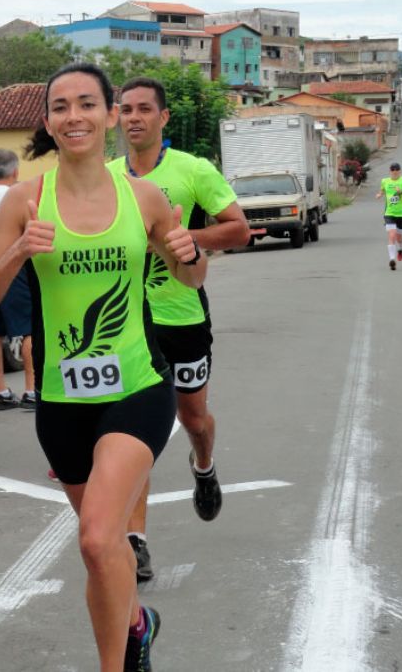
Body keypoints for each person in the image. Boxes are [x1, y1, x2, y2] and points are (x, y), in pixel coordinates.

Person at [0, 62, 205, 672]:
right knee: (108, 549)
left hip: (139, 388)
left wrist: (190, 253)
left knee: (97, 537)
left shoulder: (145, 197)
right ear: (48, 121)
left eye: (88, 105)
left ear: (111, 115)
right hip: (62, 403)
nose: (75, 117)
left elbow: (191, 275)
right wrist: (18, 250)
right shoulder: (25, 200)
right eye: (62, 107)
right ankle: (138, 624)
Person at [108, 77, 250, 581]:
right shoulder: (105, 177)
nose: (134, 118)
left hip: (183, 316)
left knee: (193, 419)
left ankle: (204, 467)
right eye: (125, 109)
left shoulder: (192, 170)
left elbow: (239, 228)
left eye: (145, 109)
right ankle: (136, 540)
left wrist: (182, 236)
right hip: (126, 325)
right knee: (134, 433)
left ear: (163, 118)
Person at [0, 149, 37, 411]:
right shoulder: (18, 197)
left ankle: (1, 391)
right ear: (15, 172)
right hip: (16, 269)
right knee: (28, 329)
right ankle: (31, 389)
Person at [376, 162, 402, 271]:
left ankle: (400, 249)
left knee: (399, 238)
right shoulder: (385, 181)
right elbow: (382, 190)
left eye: (397, 169)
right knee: (392, 235)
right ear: (390, 171)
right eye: (392, 169)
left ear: (400, 171)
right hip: (389, 213)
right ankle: (392, 260)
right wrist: (379, 194)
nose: (395, 171)